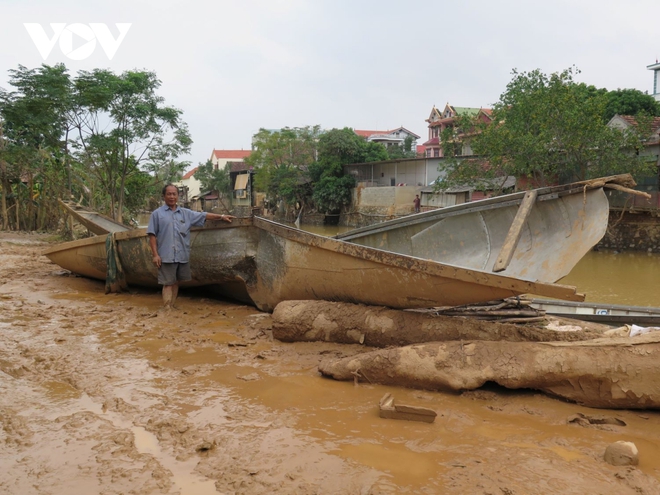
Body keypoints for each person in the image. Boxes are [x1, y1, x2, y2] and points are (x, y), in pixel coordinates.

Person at [147, 184, 234, 309]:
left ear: (178, 196)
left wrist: (221, 217)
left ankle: (172, 305)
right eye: (169, 194)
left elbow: (204, 216)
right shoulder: (157, 214)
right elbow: (152, 235)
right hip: (166, 255)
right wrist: (155, 255)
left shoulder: (185, 213)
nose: (172, 196)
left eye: (174, 194)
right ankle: (166, 308)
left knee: (176, 281)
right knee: (167, 283)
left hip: (182, 254)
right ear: (164, 196)